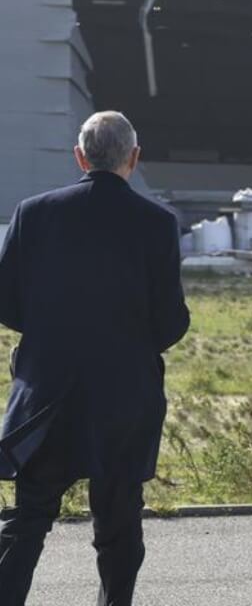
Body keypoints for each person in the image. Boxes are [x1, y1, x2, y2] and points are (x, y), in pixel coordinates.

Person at [0, 111, 189, 606]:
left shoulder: (33, 213)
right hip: (124, 398)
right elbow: (170, 322)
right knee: (119, 524)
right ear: (134, 158)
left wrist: (52, 334)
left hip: (46, 393)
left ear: (80, 157)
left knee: (27, 522)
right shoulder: (158, 224)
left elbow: (5, 302)